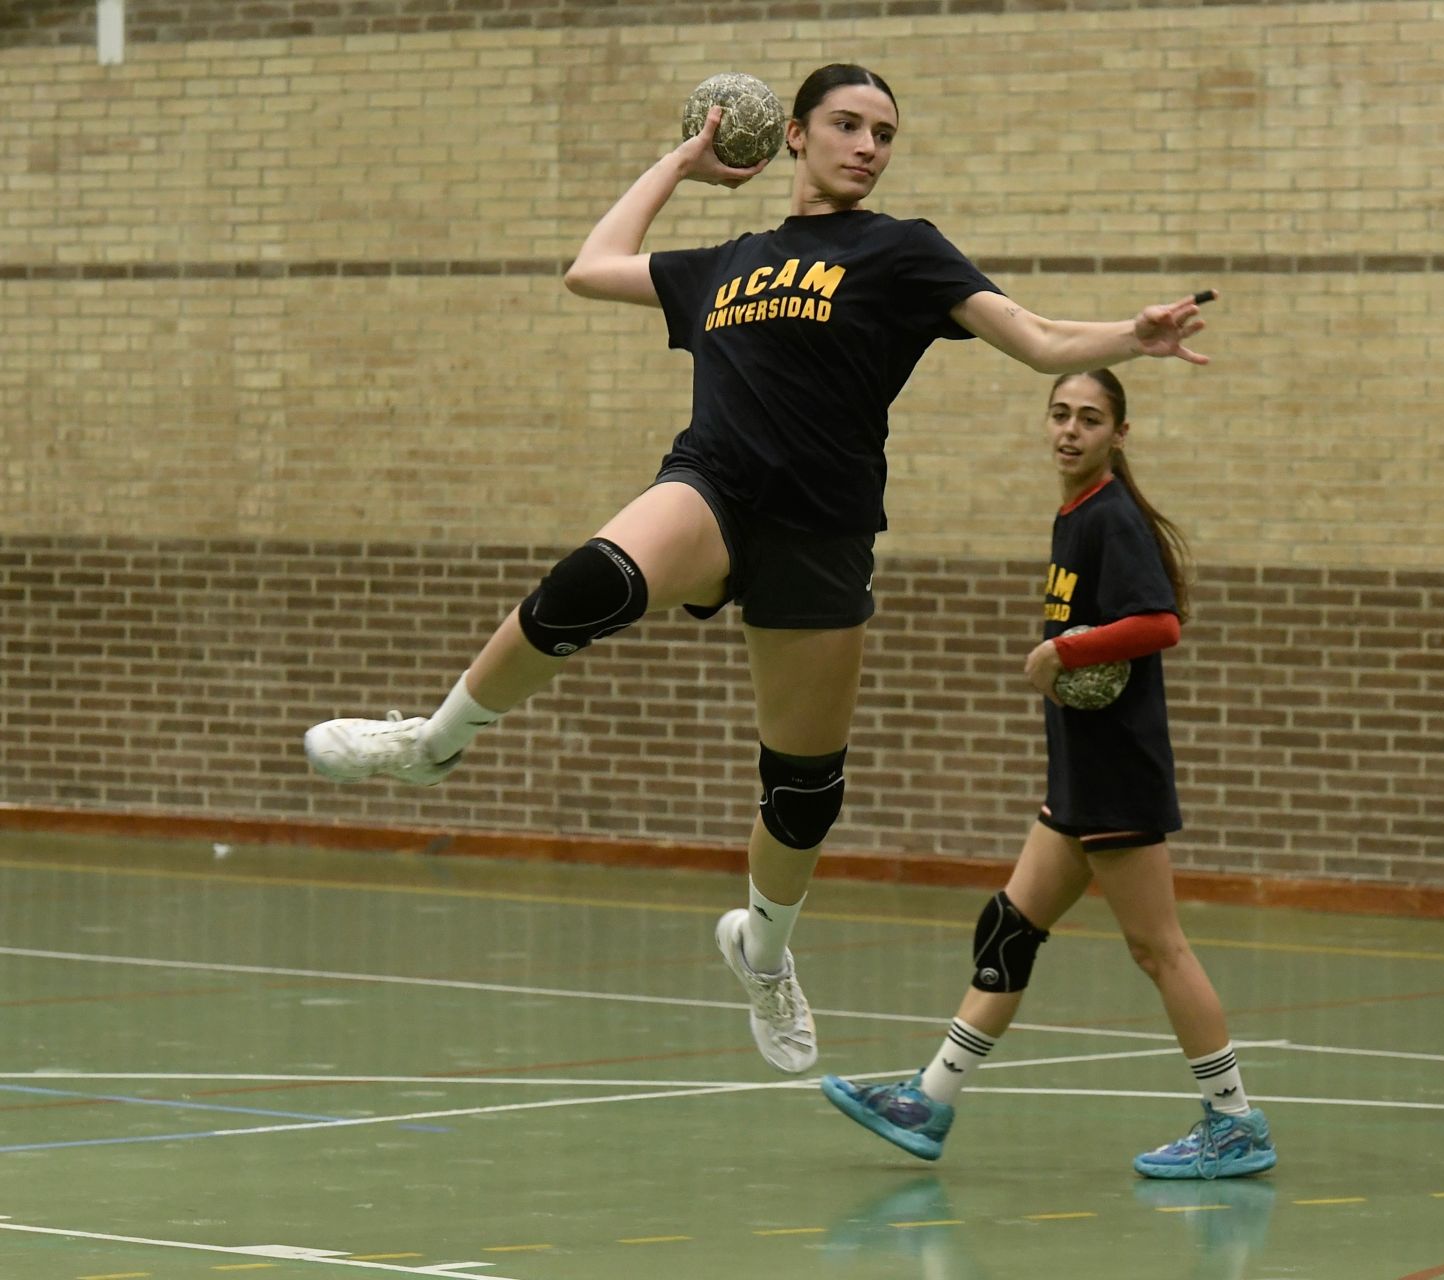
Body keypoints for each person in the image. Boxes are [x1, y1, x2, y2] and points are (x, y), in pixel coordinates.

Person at [300, 65, 1216, 1078]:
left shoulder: (901, 252)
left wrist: (1133, 335)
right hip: (716, 487)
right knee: (591, 582)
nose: (867, 146)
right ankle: (434, 741)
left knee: (803, 791)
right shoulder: (728, 262)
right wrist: (684, 161)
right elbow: (590, 264)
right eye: (846, 125)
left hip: (820, 531)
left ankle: (764, 950)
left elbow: (1040, 339)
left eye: (884, 133)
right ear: (794, 134)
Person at [820, 369, 1276, 1180]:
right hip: (1077, 770)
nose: (1070, 430)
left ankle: (1235, 1121)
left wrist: (1062, 650)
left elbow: (1159, 622)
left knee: (1158, 948)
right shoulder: (1073, 515)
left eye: (1090, 419)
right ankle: (930, 1100)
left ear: (1118, 435)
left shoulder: (1111, 518)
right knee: (1010, 928)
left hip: (1116, 771)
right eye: (1060, 414)